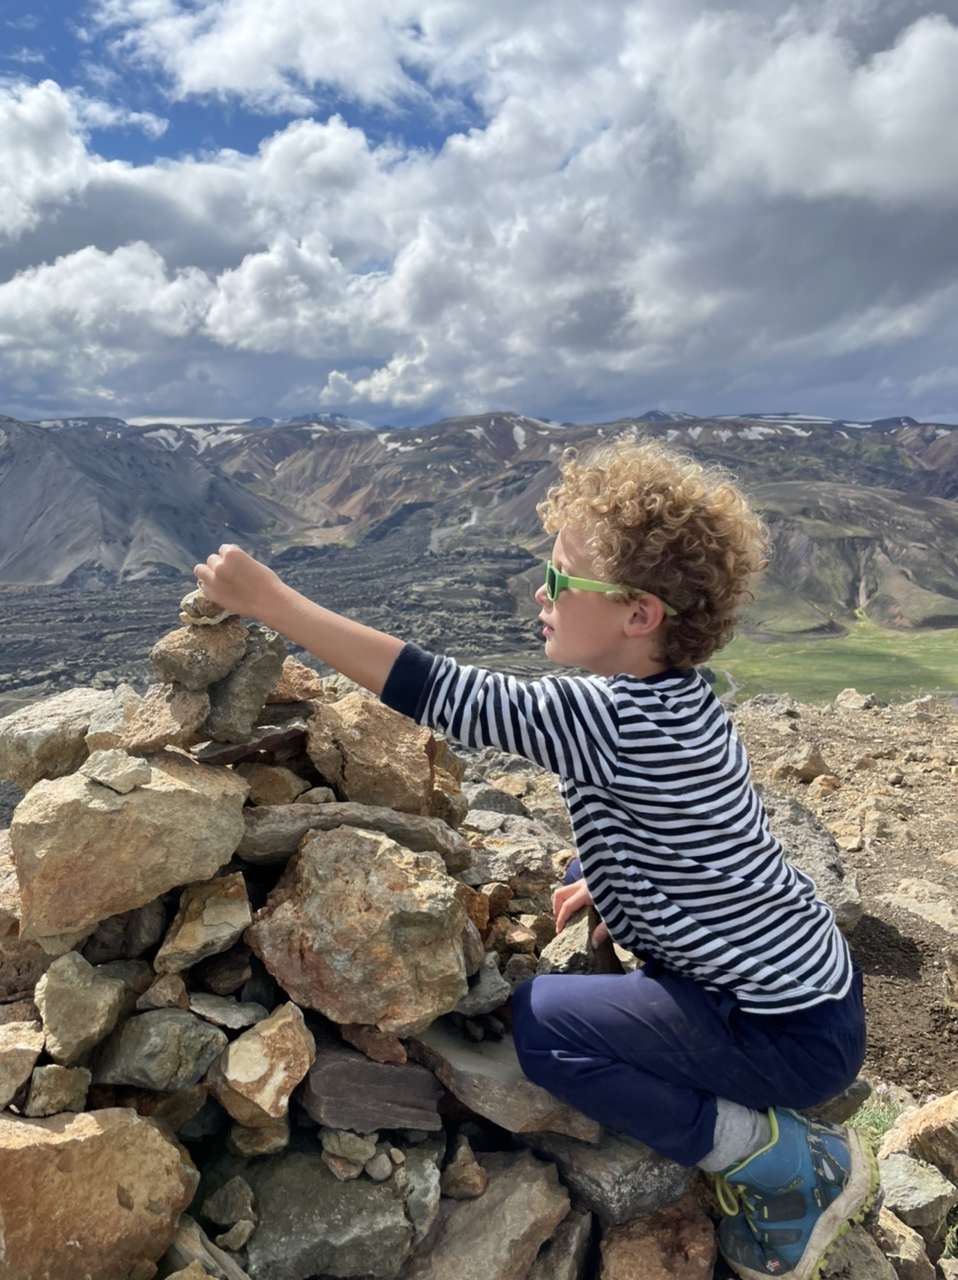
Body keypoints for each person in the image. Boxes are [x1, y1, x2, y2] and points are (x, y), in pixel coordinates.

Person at [193, 432, 878, 1280]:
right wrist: (612, 882)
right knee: (581, 885)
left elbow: (442, 692)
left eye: (561, 578)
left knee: (547, 1027)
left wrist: (274, 603)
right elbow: (699, 839)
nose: (539, 592)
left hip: (782, 1035)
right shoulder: (682, 704)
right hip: (810, 988)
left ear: (639, 615)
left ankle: (781, 1161)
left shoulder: (612, 720)